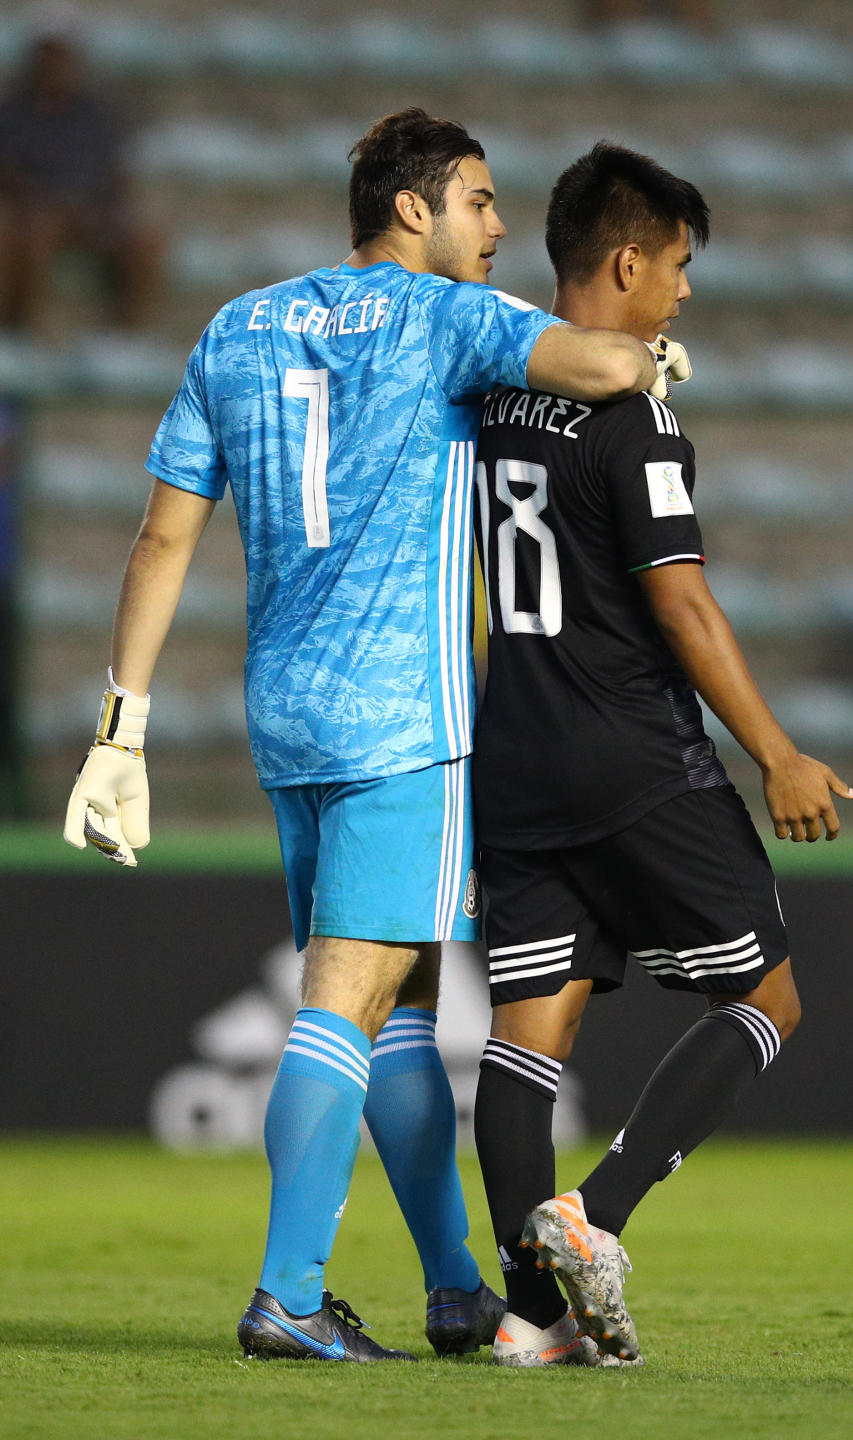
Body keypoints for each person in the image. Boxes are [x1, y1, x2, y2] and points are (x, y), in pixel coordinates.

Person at [63, 110, 661, 1364]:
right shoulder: (443, 320)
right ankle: (288, 1295)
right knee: (348, 1004)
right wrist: (657, 362)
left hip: (285, 714)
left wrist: (121, 728)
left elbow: (164, 537)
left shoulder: (237, 325)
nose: (499, 228)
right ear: (413, 210)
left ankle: (452, 1285)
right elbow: (604, 366)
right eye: (482, 202)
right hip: (403, 716)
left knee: (400, 1006)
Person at [471, 142, 853, 1368]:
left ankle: (531, 1322)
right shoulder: (631, 416)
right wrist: (777, 754)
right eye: (678, 266)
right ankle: (600, 1213)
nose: (683, 292)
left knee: (529, 1031)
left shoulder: (489, 388)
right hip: (634, 752)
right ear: (627, 260)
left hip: (515, 753)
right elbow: (684, 607)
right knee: (771, 995)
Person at [0, 25, 163, 333]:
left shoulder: (99, 113)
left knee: (148, 235)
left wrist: (98, 207)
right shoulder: (12, 112)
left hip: (93, 211)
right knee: (39, 229)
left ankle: (129, 330)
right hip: (36, 211)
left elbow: (116, 171)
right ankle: (26, 327)